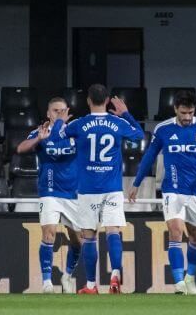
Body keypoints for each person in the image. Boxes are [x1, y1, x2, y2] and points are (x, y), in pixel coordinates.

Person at [128, 90, 196, 294]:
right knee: (175, 232)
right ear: (175, 109)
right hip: (172, 189)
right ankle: (178, 283)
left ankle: (189, 278)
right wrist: (137, 183)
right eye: (183, 113)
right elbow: (149, 156)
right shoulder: (163, 129)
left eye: (190, 112)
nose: (187, 117)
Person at [52, 84, 144, 294]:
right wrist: (126, 114)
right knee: (113, 231)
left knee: (89, 236)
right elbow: (139, 135)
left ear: (88, 101)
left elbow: (56, 138)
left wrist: (59, 122)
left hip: (87, 189)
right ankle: (114, 275)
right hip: (112, 188)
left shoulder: (79, 124)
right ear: (107, 101)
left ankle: (92, 285)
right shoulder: (117, 122)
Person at [17, 97, 82, 294]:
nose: (59, 114)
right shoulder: (41, 132)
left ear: (68, 112)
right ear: (48, 113)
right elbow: (20, 149)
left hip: (73, 193)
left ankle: (68, 275)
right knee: (49, 233)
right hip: (50, 191)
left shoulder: (75, 133)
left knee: (78, 241)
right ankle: (46, 282)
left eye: (62, 111)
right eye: (55, 111)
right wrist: (39, 139)